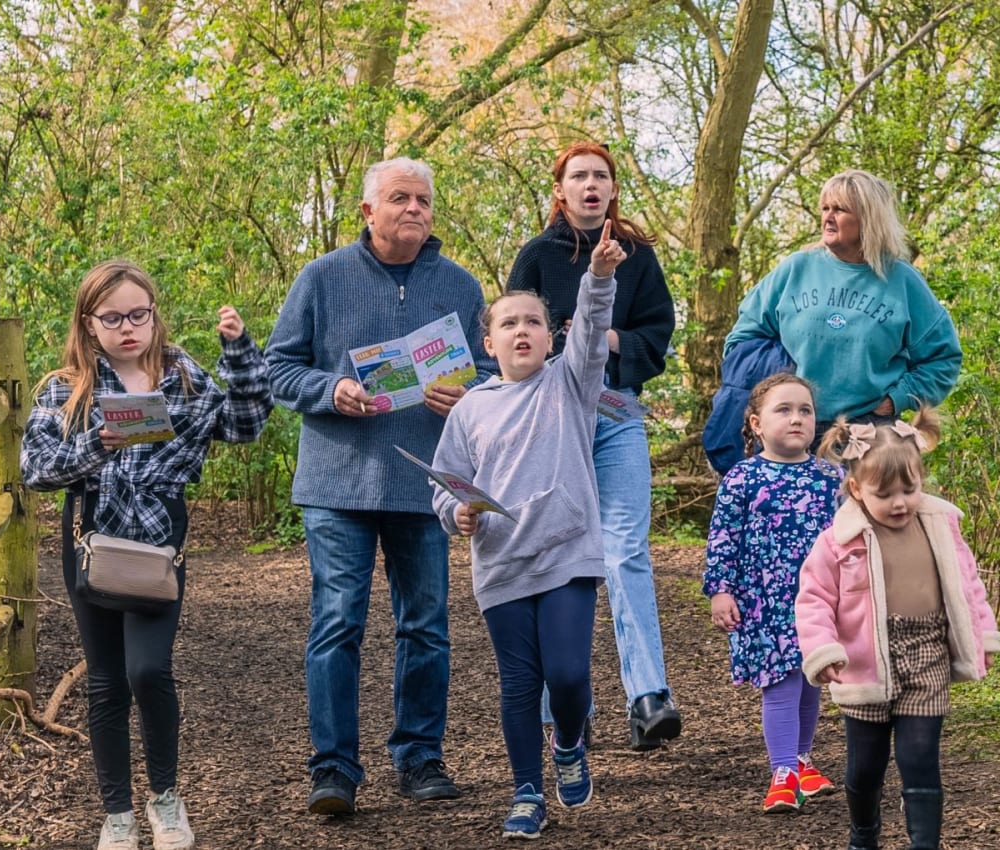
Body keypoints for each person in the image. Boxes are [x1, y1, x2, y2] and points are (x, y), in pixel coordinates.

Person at [265, 157, 492, 815]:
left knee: (426, 626)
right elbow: (279, 369)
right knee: (339, 622)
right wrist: (329, 388)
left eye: (424, 199)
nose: (415, 209)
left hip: (426, 483)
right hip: (337, 484)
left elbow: (486, 374)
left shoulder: (459, 285)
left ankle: (420, 758)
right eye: (400, 198)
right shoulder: (322, 278)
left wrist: (468, 396)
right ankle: (333, 770)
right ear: (369, 211)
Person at [23, 260, 270, 850]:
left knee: (149, 670)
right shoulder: (66, 387)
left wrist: (238, 352)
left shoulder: (183, 375)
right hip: (91, 538)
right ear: (89, 323)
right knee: (107, 682)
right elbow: (35, 471)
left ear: (154, 315)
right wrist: (95, 445)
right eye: (113, 318)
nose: (128, 327)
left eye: (139, 314)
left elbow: (243, 425)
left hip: (160, 538)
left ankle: (165, 799)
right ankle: (117, 816)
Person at [431, 223, 627, 840]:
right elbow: (446, 481)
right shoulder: (470, 409)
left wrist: (598, 278)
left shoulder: (571, 384)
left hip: (568, 551)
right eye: (508, 323)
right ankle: (526, 791)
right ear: (488, 343)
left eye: (533, 322)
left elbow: (593, 334)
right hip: (500, 563)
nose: (522, 330)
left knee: (567, 675)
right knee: (519, 683)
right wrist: (454, 512)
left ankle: (568, 740)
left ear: (551, 337)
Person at [505, 141, 685, 750]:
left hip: (616, 413)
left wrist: (608, 339)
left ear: (612, 190)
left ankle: (649, 695)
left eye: (601, 177)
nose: (590, 185)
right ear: (561, 189)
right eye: (579, 176)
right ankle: (566, 710)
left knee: (627, 546)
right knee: (559, 552)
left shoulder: (637, 257)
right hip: (553, 420)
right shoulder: (536, 255)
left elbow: (657, 332)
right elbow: (514, 332)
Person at [795, 412, 999, 850]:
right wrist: (824, 649)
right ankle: (864, 834)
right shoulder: (838, 540)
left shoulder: (941, 526)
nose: (900, 502)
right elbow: (813, 599)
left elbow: (967, 584)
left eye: (909, 489)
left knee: (920, 756)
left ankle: (924, 843)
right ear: (856, 489)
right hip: (866, 659)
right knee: (865, 766)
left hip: (928, 653)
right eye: (884, 494)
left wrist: (982, 635)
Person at [723, 169, 961, 434]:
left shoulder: (902, 281)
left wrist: (896, 399)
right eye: (825, 208)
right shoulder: (795, 270)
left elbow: (943, 359)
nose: (828, 217)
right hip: (790, 433)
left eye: (840, 209)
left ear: (869, 219)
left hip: (867, 434)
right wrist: (775, 394)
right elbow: (741, 343)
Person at [705, 373, 846, 813]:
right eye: (783, 410)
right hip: (764, 602)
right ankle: (782, 772)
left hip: (820, 601)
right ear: (755, 424)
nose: (797, 418)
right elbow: (723, 537)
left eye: (805, 410)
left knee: (812, 682)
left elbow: (847, 537)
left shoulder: (830, 476)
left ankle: (802, 760)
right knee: (781, 685)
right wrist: (720, 590)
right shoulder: (743, 478)